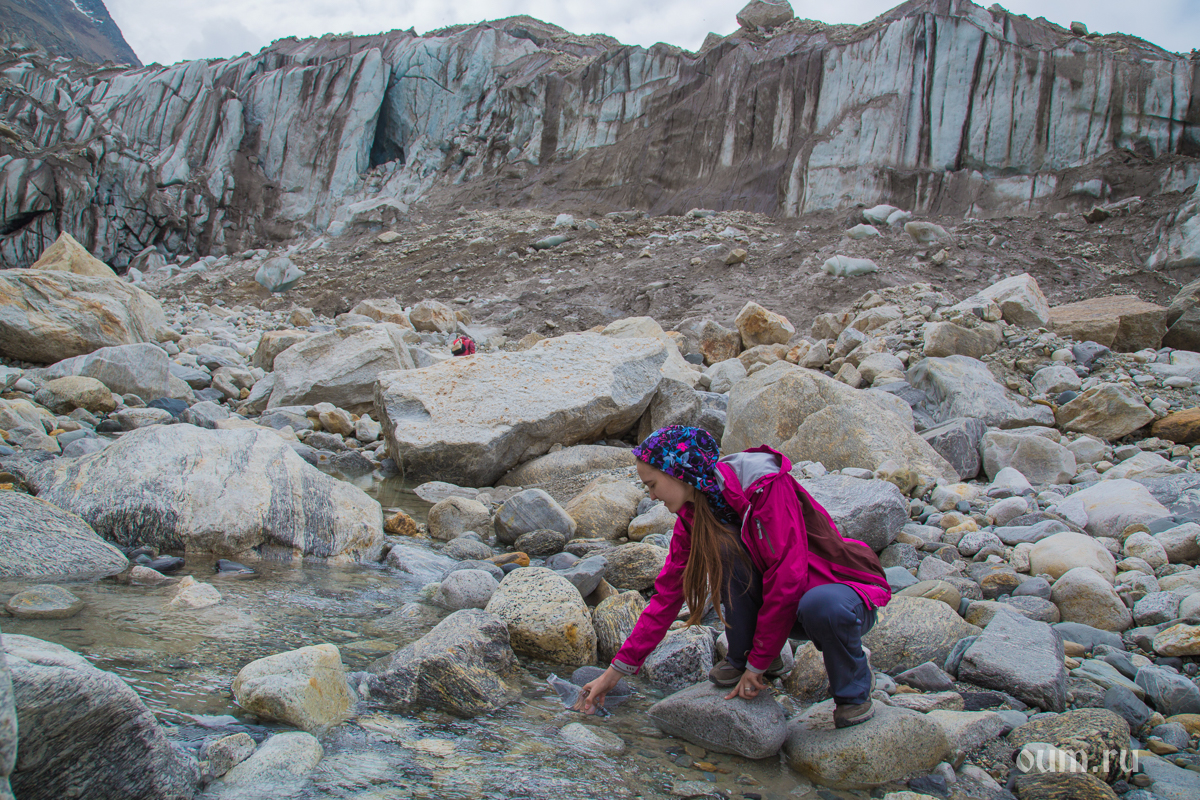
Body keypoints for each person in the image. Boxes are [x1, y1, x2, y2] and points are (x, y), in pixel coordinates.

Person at [574, 426, 891, 728]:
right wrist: (614, 673)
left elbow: (788, 579)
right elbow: (667, 596)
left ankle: (853, 697)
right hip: (792, 606)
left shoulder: (765, 486)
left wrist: (758, 665)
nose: (652, 496)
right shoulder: (696, 514)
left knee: (821, 605)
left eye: (652, 484)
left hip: (836, 590)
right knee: (726, 549)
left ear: (678, 473)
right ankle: (742, 656)